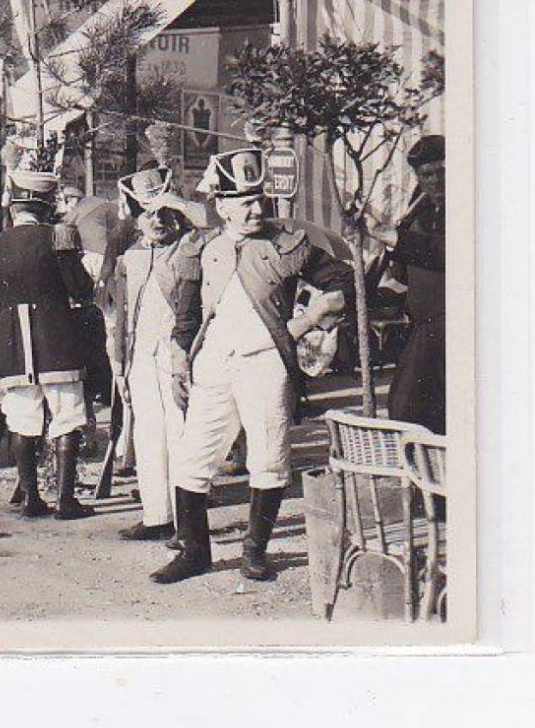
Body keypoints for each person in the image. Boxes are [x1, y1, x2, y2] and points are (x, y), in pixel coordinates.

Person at [152, 148, 354, 585]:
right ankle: (194, 552)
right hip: (213, 366)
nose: (256, 208)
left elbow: (340, 283)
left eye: (259, 198)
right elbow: (188, 313)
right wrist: (178, 359)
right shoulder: (203, 247)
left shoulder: (287, 244)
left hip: (267, 365)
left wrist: (305, 321)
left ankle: (254, 552)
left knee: (268, 457)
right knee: (192, 458)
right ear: (220, 205)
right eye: (244, 201)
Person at [0, 136, 98, 520]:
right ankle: (65, 500)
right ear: (46, 204)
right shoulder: (58, 238)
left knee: (23, 418)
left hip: (13, 342)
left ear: (14, 205)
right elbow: (81, 289)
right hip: (56, 338)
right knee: (67, 413)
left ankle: (30, 498)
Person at [107, 165, 205, 541]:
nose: (157, 221)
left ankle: (186, 524)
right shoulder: (128, 258)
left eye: (163, 212)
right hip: (139, 358)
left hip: (175, 356)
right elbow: (121, 315)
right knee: (147, 436)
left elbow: (206, 226)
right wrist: (119, 364)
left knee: (180, 435)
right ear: (135, 218)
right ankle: (157, 515)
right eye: (148, 214)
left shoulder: (188, 250)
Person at [369, 134, 446, 434]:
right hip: (421, 326)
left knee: (412, 409)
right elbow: (401, 277)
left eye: (443, 172)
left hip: (450, 326)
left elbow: (448, 251)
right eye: (427, 174)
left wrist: (395, 238)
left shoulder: (472, 202)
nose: (436, 181)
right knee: (407, 409)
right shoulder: (419, 210)